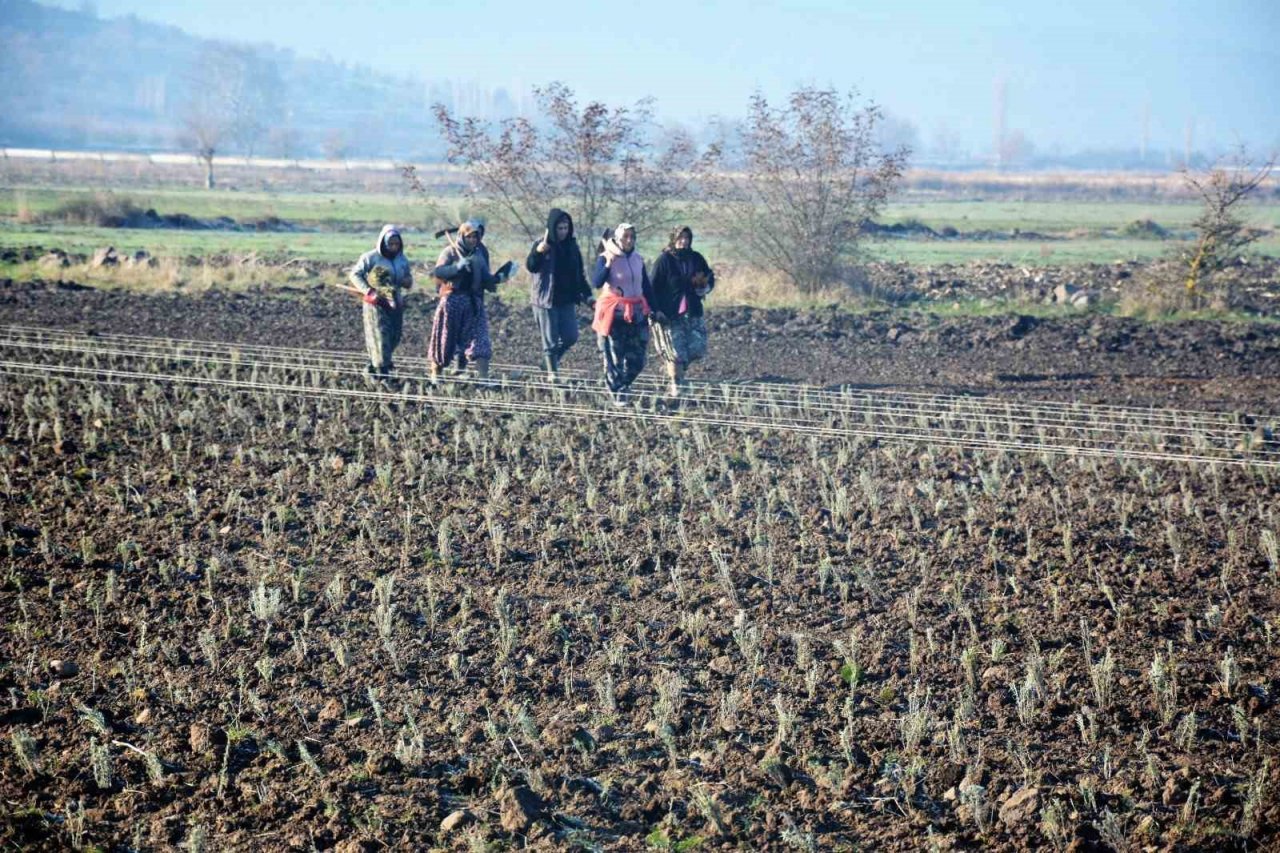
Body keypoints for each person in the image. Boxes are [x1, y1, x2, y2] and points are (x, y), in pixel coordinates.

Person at [428, 221, 509, 383]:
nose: (472, 240)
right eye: (469, 237)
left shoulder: (479, 255)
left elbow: (486, 278)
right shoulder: (450, 252)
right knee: (445, 340)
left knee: (481, 339)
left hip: (473, 303)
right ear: (462, 237)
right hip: (451, 302)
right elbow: (437, 272)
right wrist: (456, 267)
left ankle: (483, 379)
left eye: (475, 237)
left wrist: (500, 278)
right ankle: (436, 375)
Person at [591, 223, 655, 404]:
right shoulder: (605, 257)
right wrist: (609, 264)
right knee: (615, 356)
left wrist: (655, 309)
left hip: (635, 311)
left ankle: (624, 384)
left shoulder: (638, 259)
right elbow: (596, 282)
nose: (630, 240)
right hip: (614, 313)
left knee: (639, 358)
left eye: (632, 237)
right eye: (626, 236)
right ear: (618, 238)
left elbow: (646, 287)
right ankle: (617, 390)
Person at [526, 208, 592, 381]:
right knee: (550, 339)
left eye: (565, 228)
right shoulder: (542, 244)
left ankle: (549, 361)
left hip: (566, 299)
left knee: (571, 336)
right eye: (559, 228)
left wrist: (588, 295)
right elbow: (531, 266)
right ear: (552, 228)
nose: (563, 232)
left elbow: (579, 274)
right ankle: (552, 373)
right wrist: (539, 252)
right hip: (546, 299)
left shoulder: (572, 247)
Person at [649, 225, 715, 397]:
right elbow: (652, 287)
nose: (683, 241)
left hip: (693, 310)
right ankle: (676, 385)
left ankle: (675, 369)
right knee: (676, 353)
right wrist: (655, 311)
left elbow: (709, 277)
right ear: (673, 239)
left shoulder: (696, 258)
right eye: (680, 238)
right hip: (669, 313)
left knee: (698, 349)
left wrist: (706, 287)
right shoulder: (664, 260)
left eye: (686, 238)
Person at [349, 224, 413, 380]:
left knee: (394, 336)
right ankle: (382, 375)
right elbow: (355, 275)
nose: (393, 247)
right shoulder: (370, 258)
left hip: (395, 302)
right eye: (390, 244)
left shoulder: (402, 260)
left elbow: (408, 278)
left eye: (396, 244)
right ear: (383, 242)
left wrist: (406, 281)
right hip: (376, 304)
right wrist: (369, 291)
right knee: (380, 337)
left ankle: (372, 366)